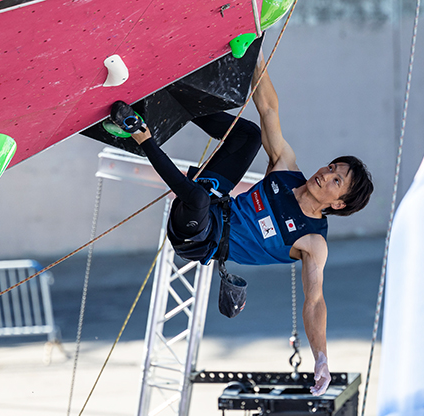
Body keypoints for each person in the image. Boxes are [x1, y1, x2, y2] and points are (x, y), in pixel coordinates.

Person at [108, 50, 373, 396]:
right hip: (214, 195)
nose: (326, 174)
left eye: (337, 180)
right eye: (332, 167)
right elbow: (269, 109)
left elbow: (315, 301)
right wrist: (255, 53)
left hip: (199, 237)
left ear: (338, 203)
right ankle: (167, 93)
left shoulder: (313, 241)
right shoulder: (286, 169)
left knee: (197, 199)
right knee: (247, 134)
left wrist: (320, 356)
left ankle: (140, 133)